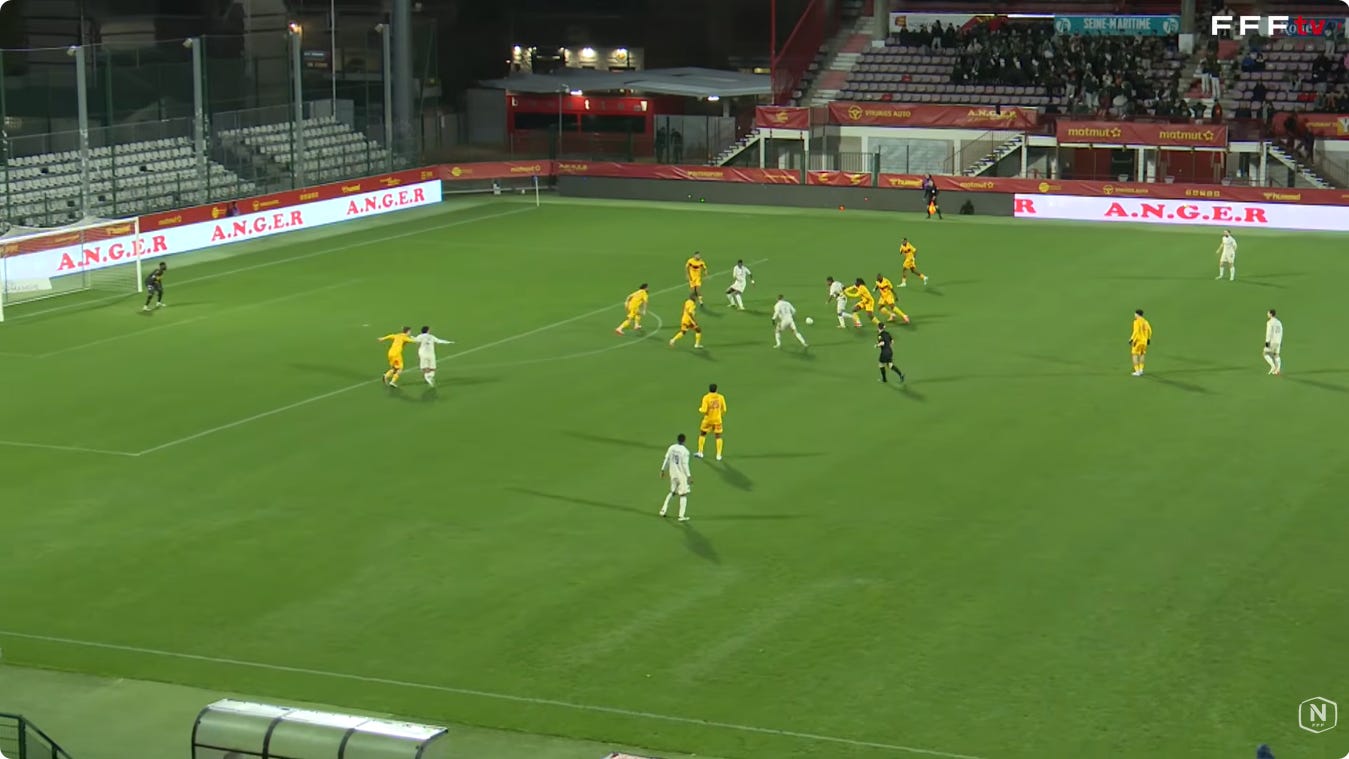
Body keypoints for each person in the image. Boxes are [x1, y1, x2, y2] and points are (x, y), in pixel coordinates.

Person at [659, 433, 693, 522]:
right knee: (683, 494)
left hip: (673, 474)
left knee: (672, 492)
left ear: (677, 439)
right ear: (684, 440)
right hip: (682, 475)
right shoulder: (685, 451)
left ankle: (663, 510)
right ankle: (681, 516)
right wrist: (689, 476)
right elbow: (685, 464)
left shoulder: (672, 448)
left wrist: (662, 469)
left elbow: (666, 459)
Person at [697, 383, 727, 460]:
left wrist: (700, 409)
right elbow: (724, 409)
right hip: (717, 420)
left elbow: (704, 410)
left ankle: (700, 452)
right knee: (718, 436)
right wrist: (718, 414)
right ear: (716, 389)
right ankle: (718, 455)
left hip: (708, 420)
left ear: (709, 389)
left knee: (703, 434)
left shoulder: (706, 397)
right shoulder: (721, 397)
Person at [1129, 309, 1153, 377]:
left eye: (1135, 314)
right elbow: (1150, 330)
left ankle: (1137, 371)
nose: (1134, 315)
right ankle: (1141, 370)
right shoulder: (1145, 322)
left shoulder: (1136, 321)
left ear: (1137, 314)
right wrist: (1148, 339)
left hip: (1138, 341)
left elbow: (1136, 331)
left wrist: (1131, 339)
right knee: (1142, 354)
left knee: (1134, 355)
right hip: (1144, 341)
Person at [1264, 309, 1283, 375]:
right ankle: (1278, 370)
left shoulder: (1269, 322)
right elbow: (1281, 332)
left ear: (1271, 314)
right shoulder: (1279, 322)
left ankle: (1273, 366)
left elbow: (1268, 333)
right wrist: (1280, 341)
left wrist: (1267, 342)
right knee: (1276, 355)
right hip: (1278, 341)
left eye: (1268, 313)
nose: (1267, 314)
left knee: (1265, 353)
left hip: (1272, 341)